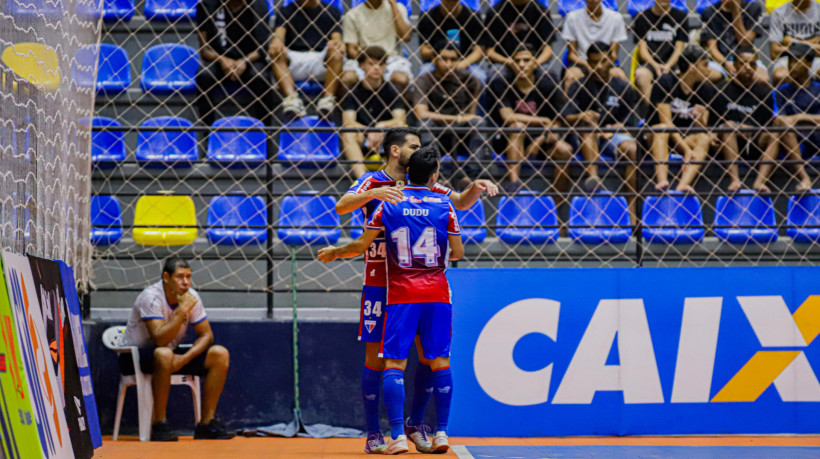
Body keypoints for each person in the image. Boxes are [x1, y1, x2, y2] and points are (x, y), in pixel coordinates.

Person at [334, 127, 496, 454]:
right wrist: (374, 195)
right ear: (396, 150)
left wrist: (475, 188)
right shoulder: (372, 180)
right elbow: (342, 206)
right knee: (376, 358)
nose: (419, 148)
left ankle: (414, 424)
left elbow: (461, 203)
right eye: (414, 145)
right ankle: (373, 434)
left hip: (409, 281)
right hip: (380, 278)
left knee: (427, 354)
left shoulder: (427, 185)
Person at [320, 147, 465, 455]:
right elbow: (459, 253)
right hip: (437, 291)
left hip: (400, 292)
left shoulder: (388, 205)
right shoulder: (444, 204)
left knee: (394, 364)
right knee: (439, 360)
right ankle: (442, 433)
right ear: (435, 175)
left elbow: (361, 244)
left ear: (407, 171)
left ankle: (397, 435)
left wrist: (335, 251)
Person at [121, 258, 233, 441]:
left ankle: (206, 423)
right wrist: (181, 312)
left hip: (170, 355)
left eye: (189, 277)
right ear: (166, 277)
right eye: (180, 277)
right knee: (164, 353)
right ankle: (159, 424)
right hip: (136, 356)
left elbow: (207, 335)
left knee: (219, 354)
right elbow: (159, 338)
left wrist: (185, 359)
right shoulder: (151, 297)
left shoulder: (191, 297)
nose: (186, 282)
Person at [564, 42, 640, 219]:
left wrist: (615, 128)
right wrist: (581, 116)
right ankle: (593, 178)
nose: (598, 66)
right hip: (584, 138)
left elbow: (632, 122)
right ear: (587, 63)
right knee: (588, 128)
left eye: (603, 61)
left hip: (611, 137)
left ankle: (632, 213)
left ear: (612, 60)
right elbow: (566, 118)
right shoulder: (578, 86)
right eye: (593, 62)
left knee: (632, 149)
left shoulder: (623, 87)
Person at [488, 44, 574, 194]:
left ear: (535, 63)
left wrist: (540, 139)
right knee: (517, 126)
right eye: (517, 60)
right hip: (510, 139)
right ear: (510, 63)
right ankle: (514, 184)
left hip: (542, 139)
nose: (521, 64)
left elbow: (559, 119)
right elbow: (508, 117)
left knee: (565, 150)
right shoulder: (502, 83)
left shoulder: (548, 84)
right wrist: (544, 121)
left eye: (526, 60)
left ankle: (558, 207)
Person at [414, 41, 484, 189]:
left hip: (461, 134)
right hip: (435, 134)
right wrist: (457, 118)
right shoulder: (424, 80)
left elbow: (472, 113)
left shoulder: (469, 80)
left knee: (479, 123)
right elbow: (421, 113)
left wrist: (463, 119)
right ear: (434, 59)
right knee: (425, 124)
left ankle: (472, 178)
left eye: (453, 60)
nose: (449, 63)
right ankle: (437, 177)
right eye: (444, 59)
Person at [649, 45, 718, 192]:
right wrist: (686, 149)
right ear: (692, 66)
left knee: (703, 139)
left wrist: (700, 119)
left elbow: (702, 128)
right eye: (705, 65)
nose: (709, 70)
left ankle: (683, 185)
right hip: (655, 138)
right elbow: (665, 121)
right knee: (662, 129)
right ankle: (662, 182)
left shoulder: (706, 89)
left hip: (683, 137)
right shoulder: (666, 82)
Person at [196, 0, 273, 126]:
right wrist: (222, 60)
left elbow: (263, 48)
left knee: (262, 77)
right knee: (203, 75)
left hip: (250, 61)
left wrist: (244, 61)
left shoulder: (259, 5)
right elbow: (204, 49)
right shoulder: (207, 4)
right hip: (218, 61)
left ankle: (265, 131)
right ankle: (206, 131)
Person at [712, 47, 777, 192]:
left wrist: (744, 128)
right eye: (743, 63)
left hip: (755, 140)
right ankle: (735, 180)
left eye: (752, 64)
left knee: (776, 135)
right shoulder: (722, 90)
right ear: (735, 65)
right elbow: (715, 122)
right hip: (728, 142)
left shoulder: (764, 92)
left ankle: (760, 181)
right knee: (728, 126)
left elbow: (766, 124)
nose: (748, 68)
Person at [269, 0, 344, 117]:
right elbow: (279, 36)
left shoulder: (331, 11)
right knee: (274, 52)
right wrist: (277, 42)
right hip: (294, 60)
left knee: (337, 52)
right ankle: (292, 101)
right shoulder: (286, 10)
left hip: (321, 60)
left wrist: (336, 44)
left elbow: (337, 39)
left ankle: (327, 101)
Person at [341, 47, 407, 178]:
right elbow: (348, 121)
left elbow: (400, 120)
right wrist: (370, 131)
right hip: (363, 138)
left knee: (402, 130)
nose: (376, 67)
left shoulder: (392, 90)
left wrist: (382, 127)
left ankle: (397, 178)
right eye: (371, 64)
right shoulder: (352, 91)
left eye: (380, 63)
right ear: (362, 65)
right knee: (348, 132)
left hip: (387, 137)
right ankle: (362, 180)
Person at [770, 43, 817, 192]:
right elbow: (779, 120)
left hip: (817, 138)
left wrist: (799, 117)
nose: (792, 65)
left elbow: (791, 119)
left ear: (809, 63)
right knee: (784, 128)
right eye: (790, 61)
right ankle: (804, 177)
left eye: (797, 60)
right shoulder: (781, 91)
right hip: (792, 142)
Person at [482, 0, 560, 84]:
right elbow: (489, 52)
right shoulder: (495, 12)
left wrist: (534, 64)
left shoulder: (541, 10)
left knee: (548, 73)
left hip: (535, 62)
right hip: (505, 64)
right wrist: (509, 62)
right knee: (496, 74)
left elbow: (548, 50)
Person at [341, 0, 412, 91]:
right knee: (348, 78)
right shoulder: (352, 14)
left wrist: (394, 6)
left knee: (401, 79)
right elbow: (351, 50)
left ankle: (398, 105)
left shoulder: (398, 8)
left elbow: (406, 37)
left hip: (391, 59)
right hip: (364, 59)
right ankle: (349, 105)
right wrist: (369, 64)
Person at [562, 0, 628, 92]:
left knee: (619, 75)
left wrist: (602, 66)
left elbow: (613, 54)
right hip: (582, 64)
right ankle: (568, 106)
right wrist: (588, 65)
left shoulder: (615, 18)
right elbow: (571, 54)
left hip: (606, 64)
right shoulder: (572, 18)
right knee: (571, 76)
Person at [632, 0, 688, 103]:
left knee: (682, 75)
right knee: (641, 74)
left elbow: (679, 48)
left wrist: (669, 66)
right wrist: (655, 65)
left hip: (673, 63)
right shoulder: (642, 17)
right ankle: (654, 111)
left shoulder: (681, 16)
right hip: (649, 63)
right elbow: (642, 49)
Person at [701, 0, 767, 83]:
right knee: (704, 78)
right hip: (720, 61)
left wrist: (735, 10)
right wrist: (725, 64)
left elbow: (745, 42)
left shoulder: (754, 8)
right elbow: (712, 49)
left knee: (763, 79)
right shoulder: (708, 12)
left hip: (747, 60)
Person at [417, 0, 484, 81]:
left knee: (480, 77)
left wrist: (461, 64)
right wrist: (438, 55)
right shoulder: (427, 17)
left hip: (465, 61)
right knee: (423, 73)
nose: (450, 4)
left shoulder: (473, 16)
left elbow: (478, 51)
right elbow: (423, 51)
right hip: (436, 62)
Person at [769, 0, 820, 86]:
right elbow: (774, 52)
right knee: (780, 75)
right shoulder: (779, 13)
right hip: (788, 58)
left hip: (815, 59)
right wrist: (813, 43)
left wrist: (792, 42)